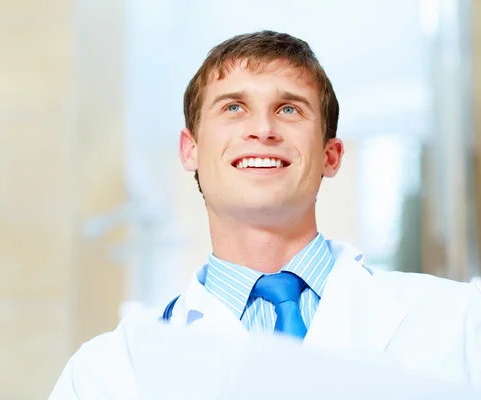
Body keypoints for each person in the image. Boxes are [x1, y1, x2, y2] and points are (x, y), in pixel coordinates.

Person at [48, 31, 481, 398]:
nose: (263, 130)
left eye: (289, 109)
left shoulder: (461, 324)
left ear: (331, 156)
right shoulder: (106, 374)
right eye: (233, 107)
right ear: (190, 150)